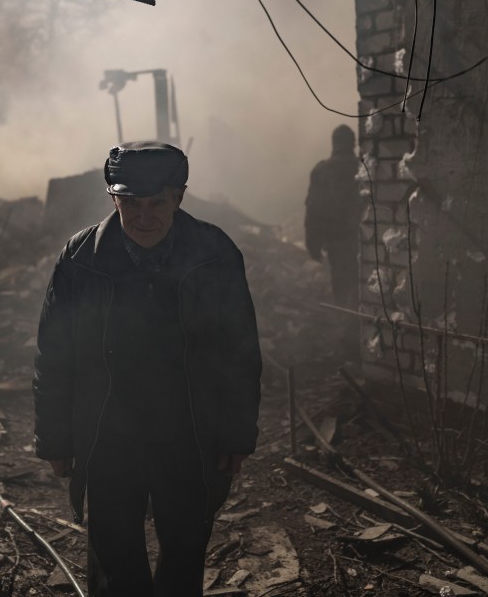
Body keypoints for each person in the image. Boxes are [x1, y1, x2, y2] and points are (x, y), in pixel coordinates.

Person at [33, 142, 262, 596]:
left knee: (185, 549)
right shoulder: (80, 259)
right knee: (116, 560)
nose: (143, 215)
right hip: (109, 435)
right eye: (130, 203)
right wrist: (55, 438)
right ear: (112, 198)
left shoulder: (214, 254)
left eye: (157, 202)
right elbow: (55, 354)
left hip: (191, 431)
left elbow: (240, 349)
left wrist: (237, 434)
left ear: (178, 196)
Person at [304, 124, 361, 310]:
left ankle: (347, 330)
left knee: (343, 290)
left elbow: (313, 210)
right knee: (364, 289)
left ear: (334, 143)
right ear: (353, 143)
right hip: (364, 242)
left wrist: (313, 244)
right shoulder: (364, 168)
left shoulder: (322, 171)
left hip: (336, 243)